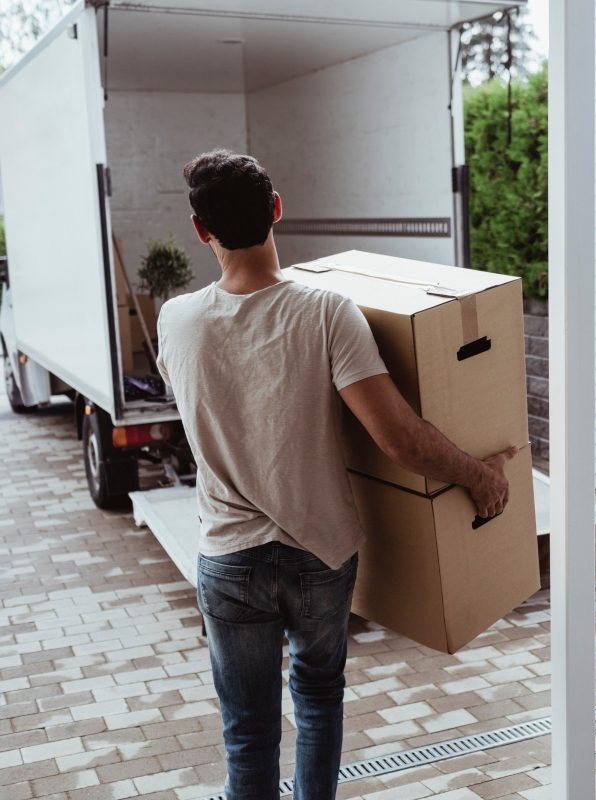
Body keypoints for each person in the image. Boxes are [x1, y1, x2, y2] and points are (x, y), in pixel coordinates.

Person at [156, 149, 516, 800]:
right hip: (317, 555)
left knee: (248, 733)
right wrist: (480, 476)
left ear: (200, 230)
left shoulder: (176, 320)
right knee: (318, 702)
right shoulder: (326, 312)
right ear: (276, 209)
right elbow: (399, 437)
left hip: (228, 558)